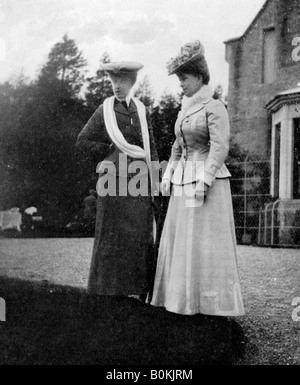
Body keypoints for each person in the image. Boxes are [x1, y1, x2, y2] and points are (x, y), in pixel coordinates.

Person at [150, 41, 245, 316]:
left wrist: (204, 181)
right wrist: (168, 174)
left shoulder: (214, 106)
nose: (181, 83)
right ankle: (182, 302)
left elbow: (219, 147)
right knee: (183, 242)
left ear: (200, 77)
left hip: (209, 183)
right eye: (179, 78)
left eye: (185, 77)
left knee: (204, 244)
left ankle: (209, 307)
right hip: (182, 184)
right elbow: (177, 148)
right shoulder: (184, 110)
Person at [76, 61, 159, 299]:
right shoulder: (105, 110)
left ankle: (137, 290)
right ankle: (106, 291)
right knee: (111, 235)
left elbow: (150, 147)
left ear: (131, 83)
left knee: (139, 234)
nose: (117, 87)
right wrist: (109, 150)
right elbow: (82, 141)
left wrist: (157, 179)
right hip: (112, 181)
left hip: (140, 180)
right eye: (113, 82)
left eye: (122, 82)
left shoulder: (142, 111)